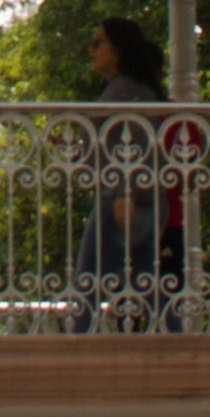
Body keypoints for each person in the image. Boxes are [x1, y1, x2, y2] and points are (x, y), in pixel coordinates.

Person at [70, 18, 170, 331]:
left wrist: (125, 192)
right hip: (135, 198)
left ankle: (77, 343)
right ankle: (173, 336)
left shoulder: (127, 91)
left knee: (87, 281)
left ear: (117, 49)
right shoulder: (124, 89)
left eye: (98, 43)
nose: (92, 50)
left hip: (122, 198)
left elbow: (138, 145)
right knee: (147, 281)